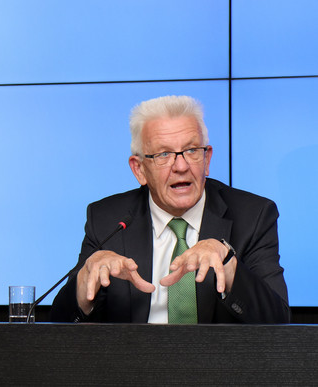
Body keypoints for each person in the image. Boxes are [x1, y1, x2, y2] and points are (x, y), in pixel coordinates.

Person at [51, 95, 289, 324]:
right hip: (131, 362)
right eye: (164, 154)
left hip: (219, 363)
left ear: (207, 160)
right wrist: (83, 286)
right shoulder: (107, 219)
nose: (182, 166)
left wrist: (229, 266)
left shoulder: (253, 215)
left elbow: (279, 322)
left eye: (192, 151)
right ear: (139, 170)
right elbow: (58, 326)